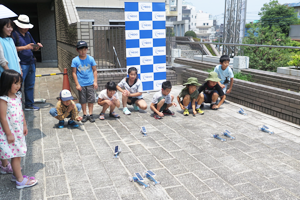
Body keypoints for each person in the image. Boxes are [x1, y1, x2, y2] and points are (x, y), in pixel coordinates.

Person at [0, 69, 38, 189]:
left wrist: (25, 125)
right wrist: (9, 133)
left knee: (17, 154)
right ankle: (20, 180)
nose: (18, 86)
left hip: (18, 131)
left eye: (20, 83)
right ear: (6, 83)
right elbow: (2, 118)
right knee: (16, 155)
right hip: (10, 132)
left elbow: (21, 112)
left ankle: (16, 175)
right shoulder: (3, 99)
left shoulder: (17, 96)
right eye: (15, 83)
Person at [12, 14, 43, 111]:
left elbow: (32, 47)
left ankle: (29, 104)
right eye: (24, 27)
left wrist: (37, 46)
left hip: (31, 62)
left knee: (30, 85)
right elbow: (11, 49)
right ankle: (17, 106)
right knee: (18, 86)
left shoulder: (28, 34)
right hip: (21, 64)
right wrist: (25, 47)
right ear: (19, 25)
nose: (26, 29)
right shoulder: (14, 34)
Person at [71, 41, 98, 123]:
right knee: (83, 100)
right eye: (81, 50)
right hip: (81, 84)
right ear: (77, 50)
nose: (83, 52)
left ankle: (91, 114)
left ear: (87, 49)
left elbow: (94, 70)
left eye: (84, 50)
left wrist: (95, 81)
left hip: (90, 83)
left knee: (91, 100)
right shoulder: (75, 60)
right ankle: (85, 114)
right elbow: (74, 73)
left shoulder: (90, 59)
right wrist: (77, 84)